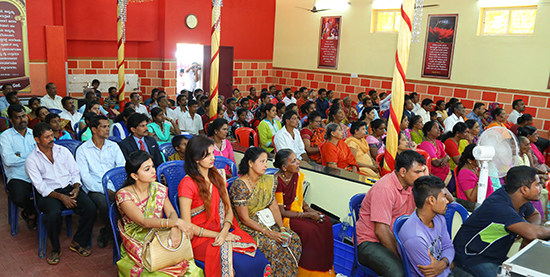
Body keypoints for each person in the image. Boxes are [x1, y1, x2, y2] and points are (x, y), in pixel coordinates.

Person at [178, 136, 271, 276]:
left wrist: (225, 231)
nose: (213, 157)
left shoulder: (218, 176)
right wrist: (219, 235)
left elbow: (228, 210)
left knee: (260, 261)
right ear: (196, 158)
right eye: (207, 154)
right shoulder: (187, 184)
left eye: (213, 153)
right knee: (243, 266)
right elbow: (187, 225)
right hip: (201, 238)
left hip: (224, 229)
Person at [115, 150, 202, 276]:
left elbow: (171, 212)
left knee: (191, 269)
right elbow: (143, 222)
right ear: (134, 176)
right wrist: (175, 222)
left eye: (153, 166)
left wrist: (174, 228)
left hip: (160, 231)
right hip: (138, 238)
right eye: (147, 169)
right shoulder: (124, 195)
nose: (153, 171)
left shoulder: (157, 188)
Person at [453, 166, 550, 277]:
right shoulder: (499, 206)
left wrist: (528, 228)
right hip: (472, 257)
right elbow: (534, 233)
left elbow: (534, 215)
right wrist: (528, 231)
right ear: (524, 189)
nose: (540, 188)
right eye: (537, 185)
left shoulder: (515, 197)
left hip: (496, 257)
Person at [25, 123, 97, 265]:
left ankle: (77, 241)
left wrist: (76, 188)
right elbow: (40, 187)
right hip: (49, 194)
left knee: (91, 208)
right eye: (47, 137)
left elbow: (75, 172)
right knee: (52, 215)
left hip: (69, 188)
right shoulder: (31, 160)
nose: (52, 139)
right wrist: (61, 197)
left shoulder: (63, 151)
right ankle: (56, 249)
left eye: (52, 135)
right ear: (37, 139)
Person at [229, 147, 302, 276]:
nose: (265, 165)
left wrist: (281, 228)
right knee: (274, 246)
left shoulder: (267, 181)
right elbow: (244, 219)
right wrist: (269, 233)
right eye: (261, 161)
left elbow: (273, 206)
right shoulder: (239, 185)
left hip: (265, 220)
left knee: (293, 239)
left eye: (266, 161)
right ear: (251, 164)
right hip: (248, 226)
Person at [356, 150, 428, 277]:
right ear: (403, 172)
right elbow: (381, 231)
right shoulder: (385, 188)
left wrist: (427, 178)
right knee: (399, 273)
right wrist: (402, 257)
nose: (421, 175)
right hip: (370, 242)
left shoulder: (413, 185)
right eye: (417, 172)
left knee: (427, 265)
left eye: (423, 171)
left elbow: (442, 196)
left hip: (395, 238)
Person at [273, 150, 335, 276]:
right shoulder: (277, 182)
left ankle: (324, 267)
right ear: (284, 168)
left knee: (326, 221)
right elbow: (283, 212)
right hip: (287, 217)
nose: (298, 162)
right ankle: (306, 271)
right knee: (309, 230)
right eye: (294, 161)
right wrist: (309, 215)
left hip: (299, 212)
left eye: (297, 159)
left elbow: (300, 200)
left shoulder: (297, 175)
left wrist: (312, 211)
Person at [76, 114, 126, 248]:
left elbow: (121, 168)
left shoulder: (114, 146)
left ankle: (110, 232)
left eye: (108, 126)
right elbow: (85, 178)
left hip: (115, 185)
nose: (107, 129)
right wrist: (105, 190)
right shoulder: (82, 150)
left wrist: (117, 188)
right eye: (103, 127)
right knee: (105, 204)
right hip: (95, 188)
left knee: (128, 199)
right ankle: (116, 236)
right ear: (93, 129)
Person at [399, 175, 459, 277]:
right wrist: (449, 263)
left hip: (445, 270)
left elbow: (448, 247)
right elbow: (431, 274)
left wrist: (443, 263)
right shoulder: (415, 237)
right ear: (431, 200)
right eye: (443, 197)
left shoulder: (438, 218)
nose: (447, 201)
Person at [0, 104, 38, 230]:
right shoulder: (5, 136)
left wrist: (19, 156)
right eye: (18, 117)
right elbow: (9, 160)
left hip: (37, 174)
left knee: (53, 190)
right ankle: (31, 213)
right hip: (18, 175)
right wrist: (31, 157)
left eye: (23, 116)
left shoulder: (34, 134)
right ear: (11, 120)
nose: (22, 120)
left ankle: (36, 214)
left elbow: (42, 155)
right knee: (19, 197)